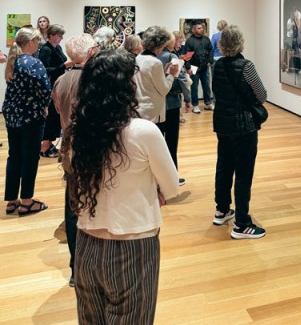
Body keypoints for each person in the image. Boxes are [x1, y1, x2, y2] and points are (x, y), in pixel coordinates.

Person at [67, 48, 179, 324]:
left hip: (86, 242)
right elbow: (173, 187)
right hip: (133, 244)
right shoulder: (143, 131)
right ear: (125, 86)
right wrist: (152, 186)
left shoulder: (77, 129)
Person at [212, 25, 267, 239]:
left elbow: (217, 91)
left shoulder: (217, 66)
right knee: (244, 173)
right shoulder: (247, 66)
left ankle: (222, 210)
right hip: (244, 125)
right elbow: (261, 95)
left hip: (223, 123)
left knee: (224, 166)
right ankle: (242, 223)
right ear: (240, 42)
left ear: (221, 44)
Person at [52, 33, 98, 287]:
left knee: (73, 206)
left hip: (69, 152)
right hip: (91, 150)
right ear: (91, 53)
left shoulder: (61, 79)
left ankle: (75, 266)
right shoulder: (93, 80)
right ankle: (88, 264)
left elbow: (59, 109)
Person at [3, 27, 51, 215]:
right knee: (30, 157)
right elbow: (45, 88)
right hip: (31, 115)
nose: (38, 45)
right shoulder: (34, 63)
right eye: (37, 41)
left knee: (14, 155)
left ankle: (11, 200)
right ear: (31, 42)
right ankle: (27, 201)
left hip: (12, 114)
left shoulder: (13, 61)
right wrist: (45, 105)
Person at [157, 34, 192, 186]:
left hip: (155, 107)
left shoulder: (152, 57)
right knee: (171, 142)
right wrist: (188, 100)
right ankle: (171, 178)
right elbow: (182, 79)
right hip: (171, 104)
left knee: (157, 143)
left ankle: (157, 178)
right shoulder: (172, 56)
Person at [38, 24, 74, 157]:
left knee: (55, 115)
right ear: (51, 36)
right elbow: (44, 70)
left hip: (58, 84)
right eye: (59, 35)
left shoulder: (57, 47)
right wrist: (63, 66)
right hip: (50, 86)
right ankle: (45, 146)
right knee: (51, 115)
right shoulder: (46, 50)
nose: (61, 38)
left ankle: (49, 143)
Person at [135, 26, 179, 131]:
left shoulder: (138, 57)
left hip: (139, 107)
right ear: (160, 44)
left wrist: (163, 72)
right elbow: (164, 90)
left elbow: (147, 78)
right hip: (152, 110)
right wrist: (171, 75)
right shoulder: (155, 62)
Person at [184, 20, 214, 114]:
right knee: (194, 87)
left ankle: (208, 103)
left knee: (206, 86)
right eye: (199, 28)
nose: (201, 29)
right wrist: (188, 67)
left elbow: (210, 51)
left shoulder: (206, 39)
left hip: (205, 67)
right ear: (193, 29)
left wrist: (210, 61)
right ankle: (195, 105)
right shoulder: (190, 41)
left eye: (202, 28)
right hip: (193, 67)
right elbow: (187, 55)